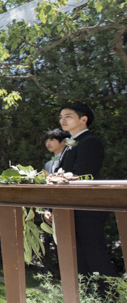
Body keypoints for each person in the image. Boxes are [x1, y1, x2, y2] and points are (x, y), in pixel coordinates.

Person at [55, 103, 119, 280]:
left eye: (68, 116)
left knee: (95, 258)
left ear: (84, 119)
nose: (63, 120)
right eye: (61, 117)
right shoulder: (70, 144)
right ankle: (87, 297)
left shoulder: (90, 142)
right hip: (71, 209)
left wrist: (57, 179)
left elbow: (83, 175)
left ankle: (110, 297)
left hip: (86, 210)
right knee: (80, 261)